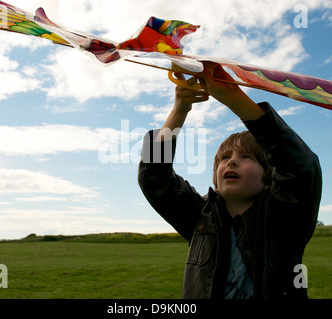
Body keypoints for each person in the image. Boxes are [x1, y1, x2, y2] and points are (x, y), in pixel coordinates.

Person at [137, 62, 322, 299]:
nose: (231, 162)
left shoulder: (285, 214)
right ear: (216, 175)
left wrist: (233, 97)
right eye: (225, 158)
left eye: (246, 157)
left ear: (268, 177)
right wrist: (179, 111)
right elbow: (154, 178)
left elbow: (301, 167)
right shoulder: (199, 216)